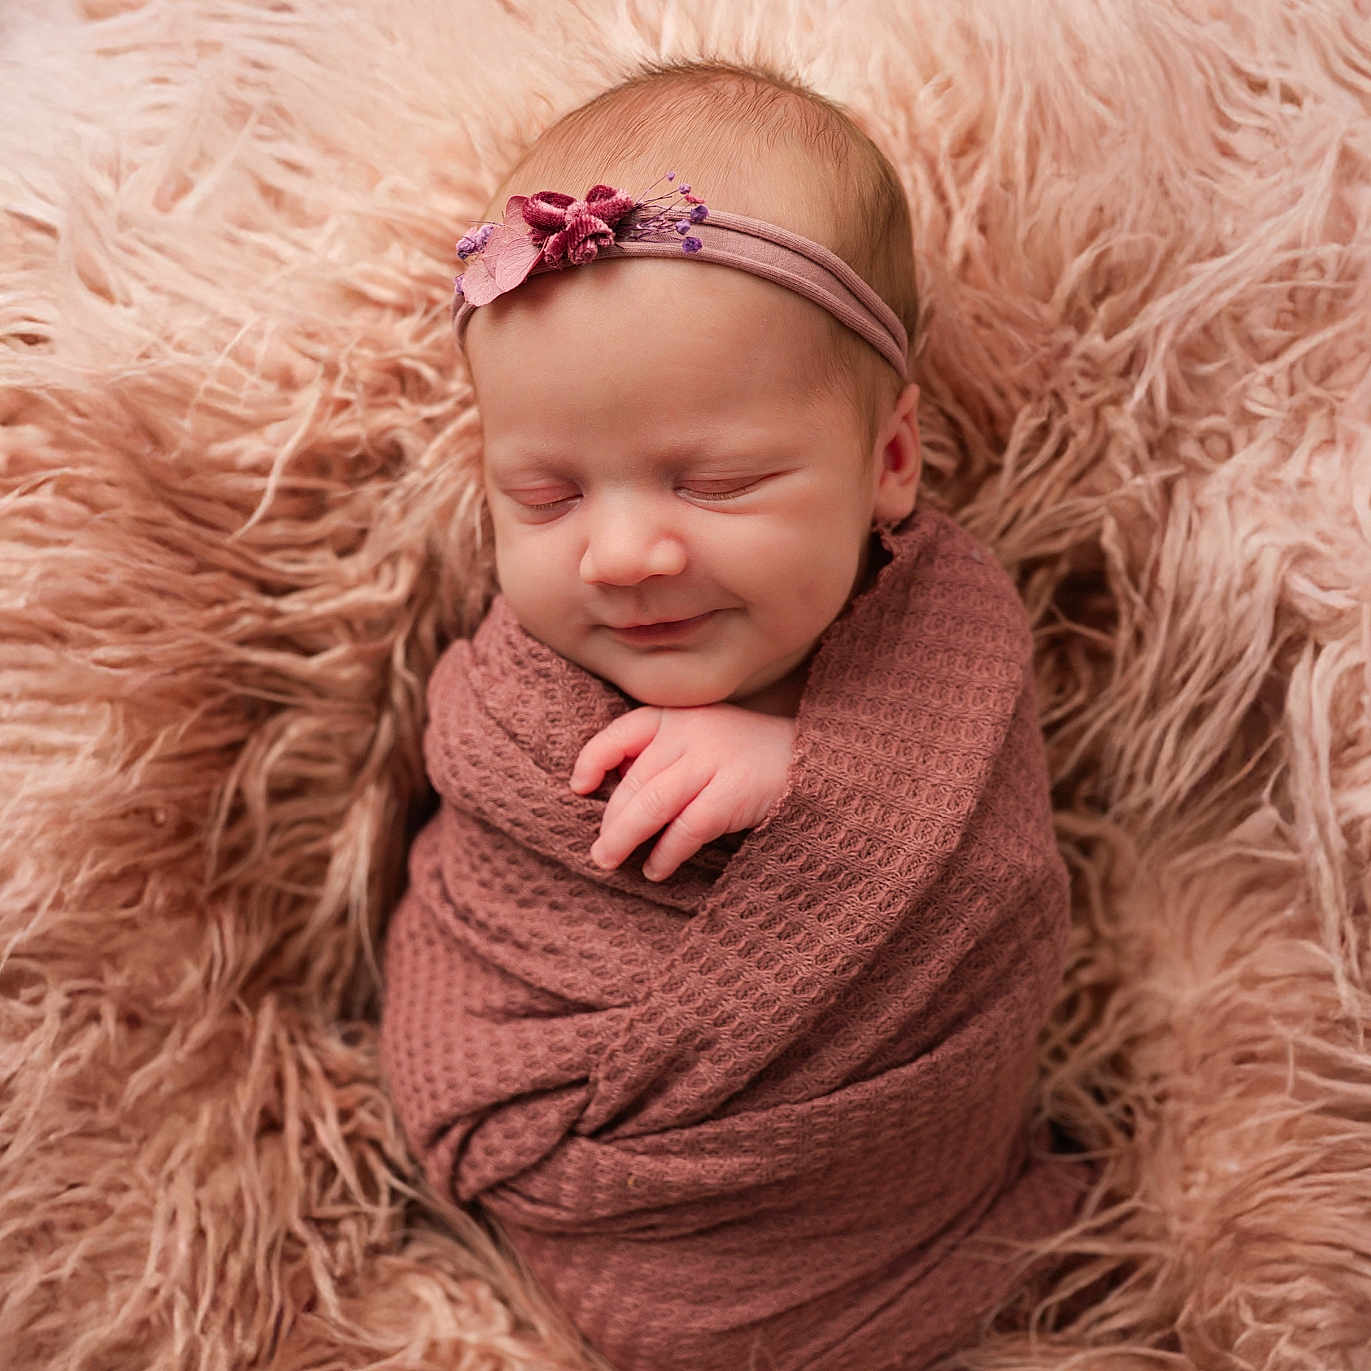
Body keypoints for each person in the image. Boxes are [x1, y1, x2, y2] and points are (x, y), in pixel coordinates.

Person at [381, 57, 1088, 1371]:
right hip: (563, 1174)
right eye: (545, 498)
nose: (619, 555)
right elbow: (468, 895)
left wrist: (817, 781)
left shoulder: (951, 645)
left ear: (889, 461)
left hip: (876, 1218)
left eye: (712, 483)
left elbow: (998, 886)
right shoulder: (514, 693)